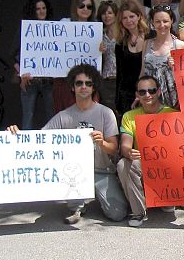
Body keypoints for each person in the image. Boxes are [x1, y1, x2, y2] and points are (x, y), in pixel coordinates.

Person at [7, 64, 127, 225]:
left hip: (102, 171)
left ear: (93, 87)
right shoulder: (63, 116)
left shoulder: (106, 113)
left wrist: (102, 143)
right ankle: (78, 205)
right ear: (72, 87)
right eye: (79, 83)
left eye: (88, 83)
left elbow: (113, 149)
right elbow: (39, 140)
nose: (83, 87)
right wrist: (16, 134)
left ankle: (103, 193)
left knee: (117, 214)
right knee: (74, 209)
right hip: (73, 173)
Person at [117, 75, 184, 227]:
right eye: (142, 92)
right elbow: (124, 145)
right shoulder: (129, 117)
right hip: (143, 163)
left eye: (151, 90)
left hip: (168, 165)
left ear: (159, 92)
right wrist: (128, 151)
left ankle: (168, 199)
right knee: (123, 164)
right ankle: (138, 212)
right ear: (137, 95)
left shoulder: (172, 113)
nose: (147, 95)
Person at [53, 0, 98, 113]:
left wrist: (100, 49)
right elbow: (51, 48)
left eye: (89, 6)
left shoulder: (96, 27)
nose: (85, 9)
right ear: (75, 7)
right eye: (81, 6)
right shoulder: (64, 23)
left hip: (87, 81)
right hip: (65, 81)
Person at [14, 0, 54, 129]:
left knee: (52, 117)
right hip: (30, 80)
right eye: (38, 9)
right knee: (28, 117)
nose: (42, 11)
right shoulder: (25, 29)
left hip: (48, 81)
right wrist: (21, 72)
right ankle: (27, 148)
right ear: (33, 11)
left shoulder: (54, 29)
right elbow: (14, 55)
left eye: (44, 8)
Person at [140, 5, 184, 109]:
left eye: (165, 21)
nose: (162, 25)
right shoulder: (146, 44)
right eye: (157, 21)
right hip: (150, 100)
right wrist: (139, 93)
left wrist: (176, 68)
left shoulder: (180, 45)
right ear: (152, 23)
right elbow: (143, 72)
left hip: (174, 101)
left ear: (172, 21)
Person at [114, 1, 149, 116]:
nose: (128, 20)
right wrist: (118, 100)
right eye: (124, 18)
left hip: (148, 92)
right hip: (127, 94)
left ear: (139, 16)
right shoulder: (120, 44)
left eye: (131, 16)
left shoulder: (151, 36)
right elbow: (120, 74)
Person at [96, 0, 119, 114]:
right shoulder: (98, 34)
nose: (107, 16)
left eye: (110, 13)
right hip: (106, 80)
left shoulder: (123, 33)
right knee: (109, 113)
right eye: (103, 13)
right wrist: (98, 51)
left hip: (121, 79)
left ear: (115, 14)